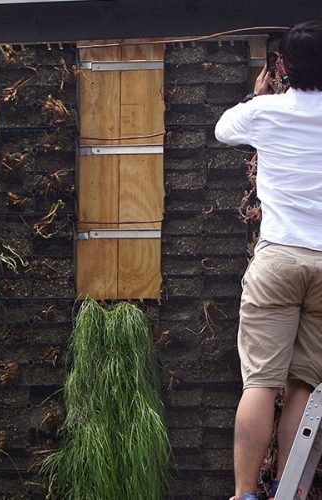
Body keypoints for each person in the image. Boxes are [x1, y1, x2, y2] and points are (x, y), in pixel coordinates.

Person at [214, 20, 322, 500]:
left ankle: (244, 494)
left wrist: (255, 97)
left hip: (279, 258)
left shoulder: (264, 110)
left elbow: (222, 130)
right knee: (304, 383)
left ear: (281, 67)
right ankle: (291, 492)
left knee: (260, 382)